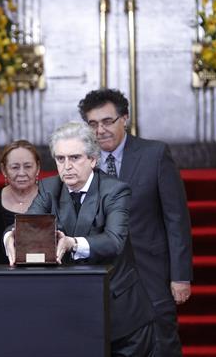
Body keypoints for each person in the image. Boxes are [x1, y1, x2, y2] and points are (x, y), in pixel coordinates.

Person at [5, 122, 155, 356]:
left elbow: (114, 241)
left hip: (120, 315)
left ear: (93, 160)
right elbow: (24, 224)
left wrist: (72, 243)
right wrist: (10, 237)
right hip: (72, 309)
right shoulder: (49, 187)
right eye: (60, 159)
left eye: (75, 158)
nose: (67, 167)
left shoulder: (114, 190)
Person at [78, 88, 193, 356]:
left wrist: (180, 276)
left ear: (125, 118)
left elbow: (176, 220)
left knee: (162, 345)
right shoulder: (82, 162)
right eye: (93, 124)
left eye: (108, 121)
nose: (100, 130)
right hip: (104, 277)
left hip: (149, 273)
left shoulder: (155, 154)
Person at [0, 140, 41, 264]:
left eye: (28, 166)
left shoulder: (51, 198)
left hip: (45, 276)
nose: (21, 173)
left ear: (38, 168)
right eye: (15, 167)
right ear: (3, 170)